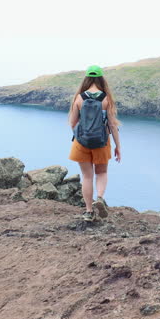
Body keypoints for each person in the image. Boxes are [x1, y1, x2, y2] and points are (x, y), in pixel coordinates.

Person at [68, 65, 122, 222]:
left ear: (86, 79)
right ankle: (99, 198)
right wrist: (118, 146)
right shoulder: (106, 99)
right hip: (101, 142)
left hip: (81, 143)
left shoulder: (79, 98)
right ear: (101, 79)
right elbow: (112, 125)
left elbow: (72, 123)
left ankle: (89, 211)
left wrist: (81, 136)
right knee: (102, 173)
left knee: (86, 176)